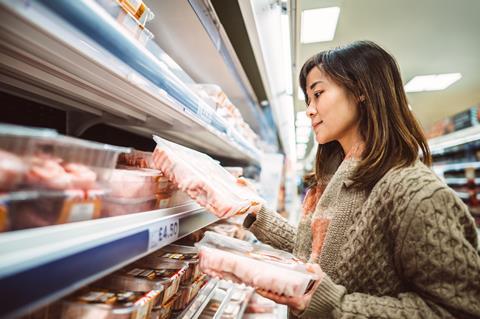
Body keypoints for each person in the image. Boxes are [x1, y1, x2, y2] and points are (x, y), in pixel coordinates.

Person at [239, 41, 480, 318]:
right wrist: (259, 216)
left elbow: (458, 310)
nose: (310, 109)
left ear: (361, 91)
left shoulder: (417, 194)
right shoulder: (337, 179)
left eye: (318, 94)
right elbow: (324, 251)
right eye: (308, 99)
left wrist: (332, 305)